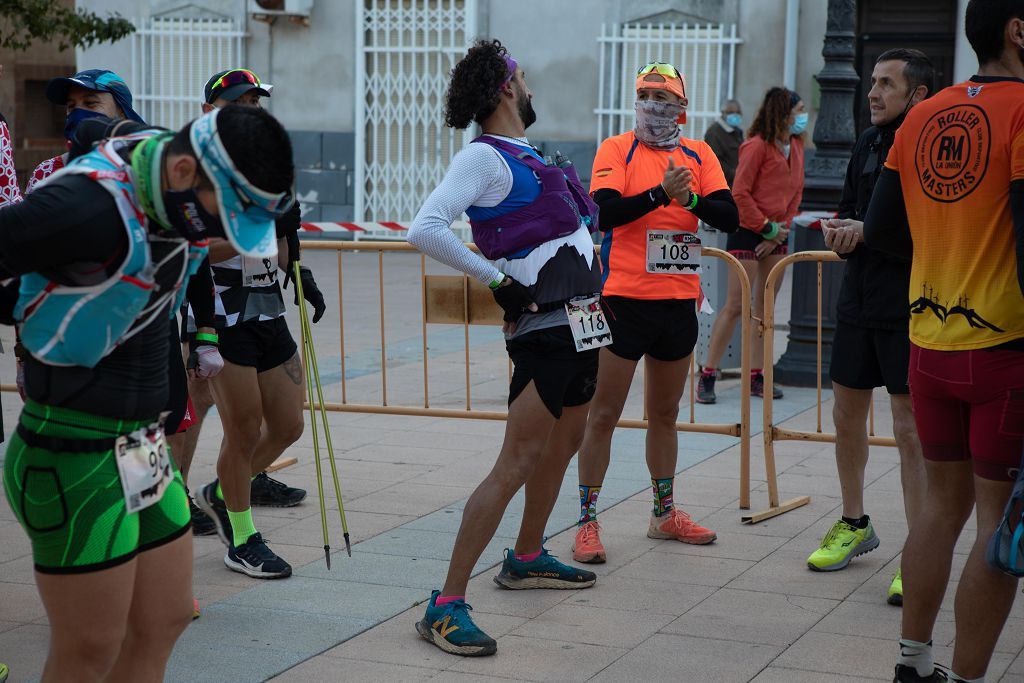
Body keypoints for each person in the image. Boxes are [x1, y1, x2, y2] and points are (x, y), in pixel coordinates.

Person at [0, 104, 295, 682]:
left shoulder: (161, 168)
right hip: (73, 453)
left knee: (165, 620)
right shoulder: (86, 206)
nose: (222, 239)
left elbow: (98, 127)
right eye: (224, 218)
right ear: (185, 172)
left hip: (143, 449)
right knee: (89, 651)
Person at [407, 39, 599, 657]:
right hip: (544, 329)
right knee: (516, 462)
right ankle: (445, 604)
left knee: (563, 446)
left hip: (584, 323)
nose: (532, 88)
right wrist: (498, 283)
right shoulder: (484, 160)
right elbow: (425, 227)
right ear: (507, 88)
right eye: (526, 79)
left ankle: (527, 556)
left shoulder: (531, 155)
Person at [863, 1, 1024, 679]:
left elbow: (883, 230)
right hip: (1004, 351)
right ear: (1018, 30)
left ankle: (913, 662)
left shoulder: (923, 116)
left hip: (928, 346)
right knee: (995, 521)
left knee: (939, 506)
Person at [571, 62, 739, 564]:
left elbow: (729, 216)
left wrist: (689, 197)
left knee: (664, 415)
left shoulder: (699, 153)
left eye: (664, 98)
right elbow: (604, 212)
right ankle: (586, 521)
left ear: (682, 110)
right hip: (623, 299)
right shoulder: (617, 148)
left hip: (677, 303)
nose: (654, 105)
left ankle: (663, 514)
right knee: (603, 415)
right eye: (645, 94)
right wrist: (659, 195)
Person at [809, 49, 933, 607]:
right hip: (858, 299)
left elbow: (931, 228)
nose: (874, 92)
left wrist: (869, 231)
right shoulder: (865, 142)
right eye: (873, 83)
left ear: (918, 94)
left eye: (887, 84)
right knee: (845, 416)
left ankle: (920, 550)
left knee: (910, 429)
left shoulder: (932, 146)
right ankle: (855, 522)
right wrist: (840, 230)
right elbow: (849, 208)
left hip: (910, 302)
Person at [194, 68, 326, 579]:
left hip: (267, 304)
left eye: (256, 102)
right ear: (211, 113)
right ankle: (241, 535)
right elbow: (196, 251)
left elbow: (283, 235)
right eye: (239, 102)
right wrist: (256, 228)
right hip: (220, 311)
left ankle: (222, 492)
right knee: (243, 427)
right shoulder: (197, 173)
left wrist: (300, 267)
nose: (252, 110)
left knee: (289, 424)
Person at [697, 87, 807, 403]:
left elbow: (796, 191)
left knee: (765, 310)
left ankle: (757, 377)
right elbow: (740, 193)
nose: (802, 116)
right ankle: (708, 376)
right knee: (735, 306)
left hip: (777, 235)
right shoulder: (755, 146)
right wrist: (765, 227)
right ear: (782, 113)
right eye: (798, 110)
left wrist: (778, 232)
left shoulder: (796, 146)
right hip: (747, 230)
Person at [704, 99, 744, 186]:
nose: (735, 115)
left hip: (737, 183)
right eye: (730, 112)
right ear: (723, 113)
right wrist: (735, 174)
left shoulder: (737, 131)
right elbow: (715, 161)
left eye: (737, 112)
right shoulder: (714, 133)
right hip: (723, 185)